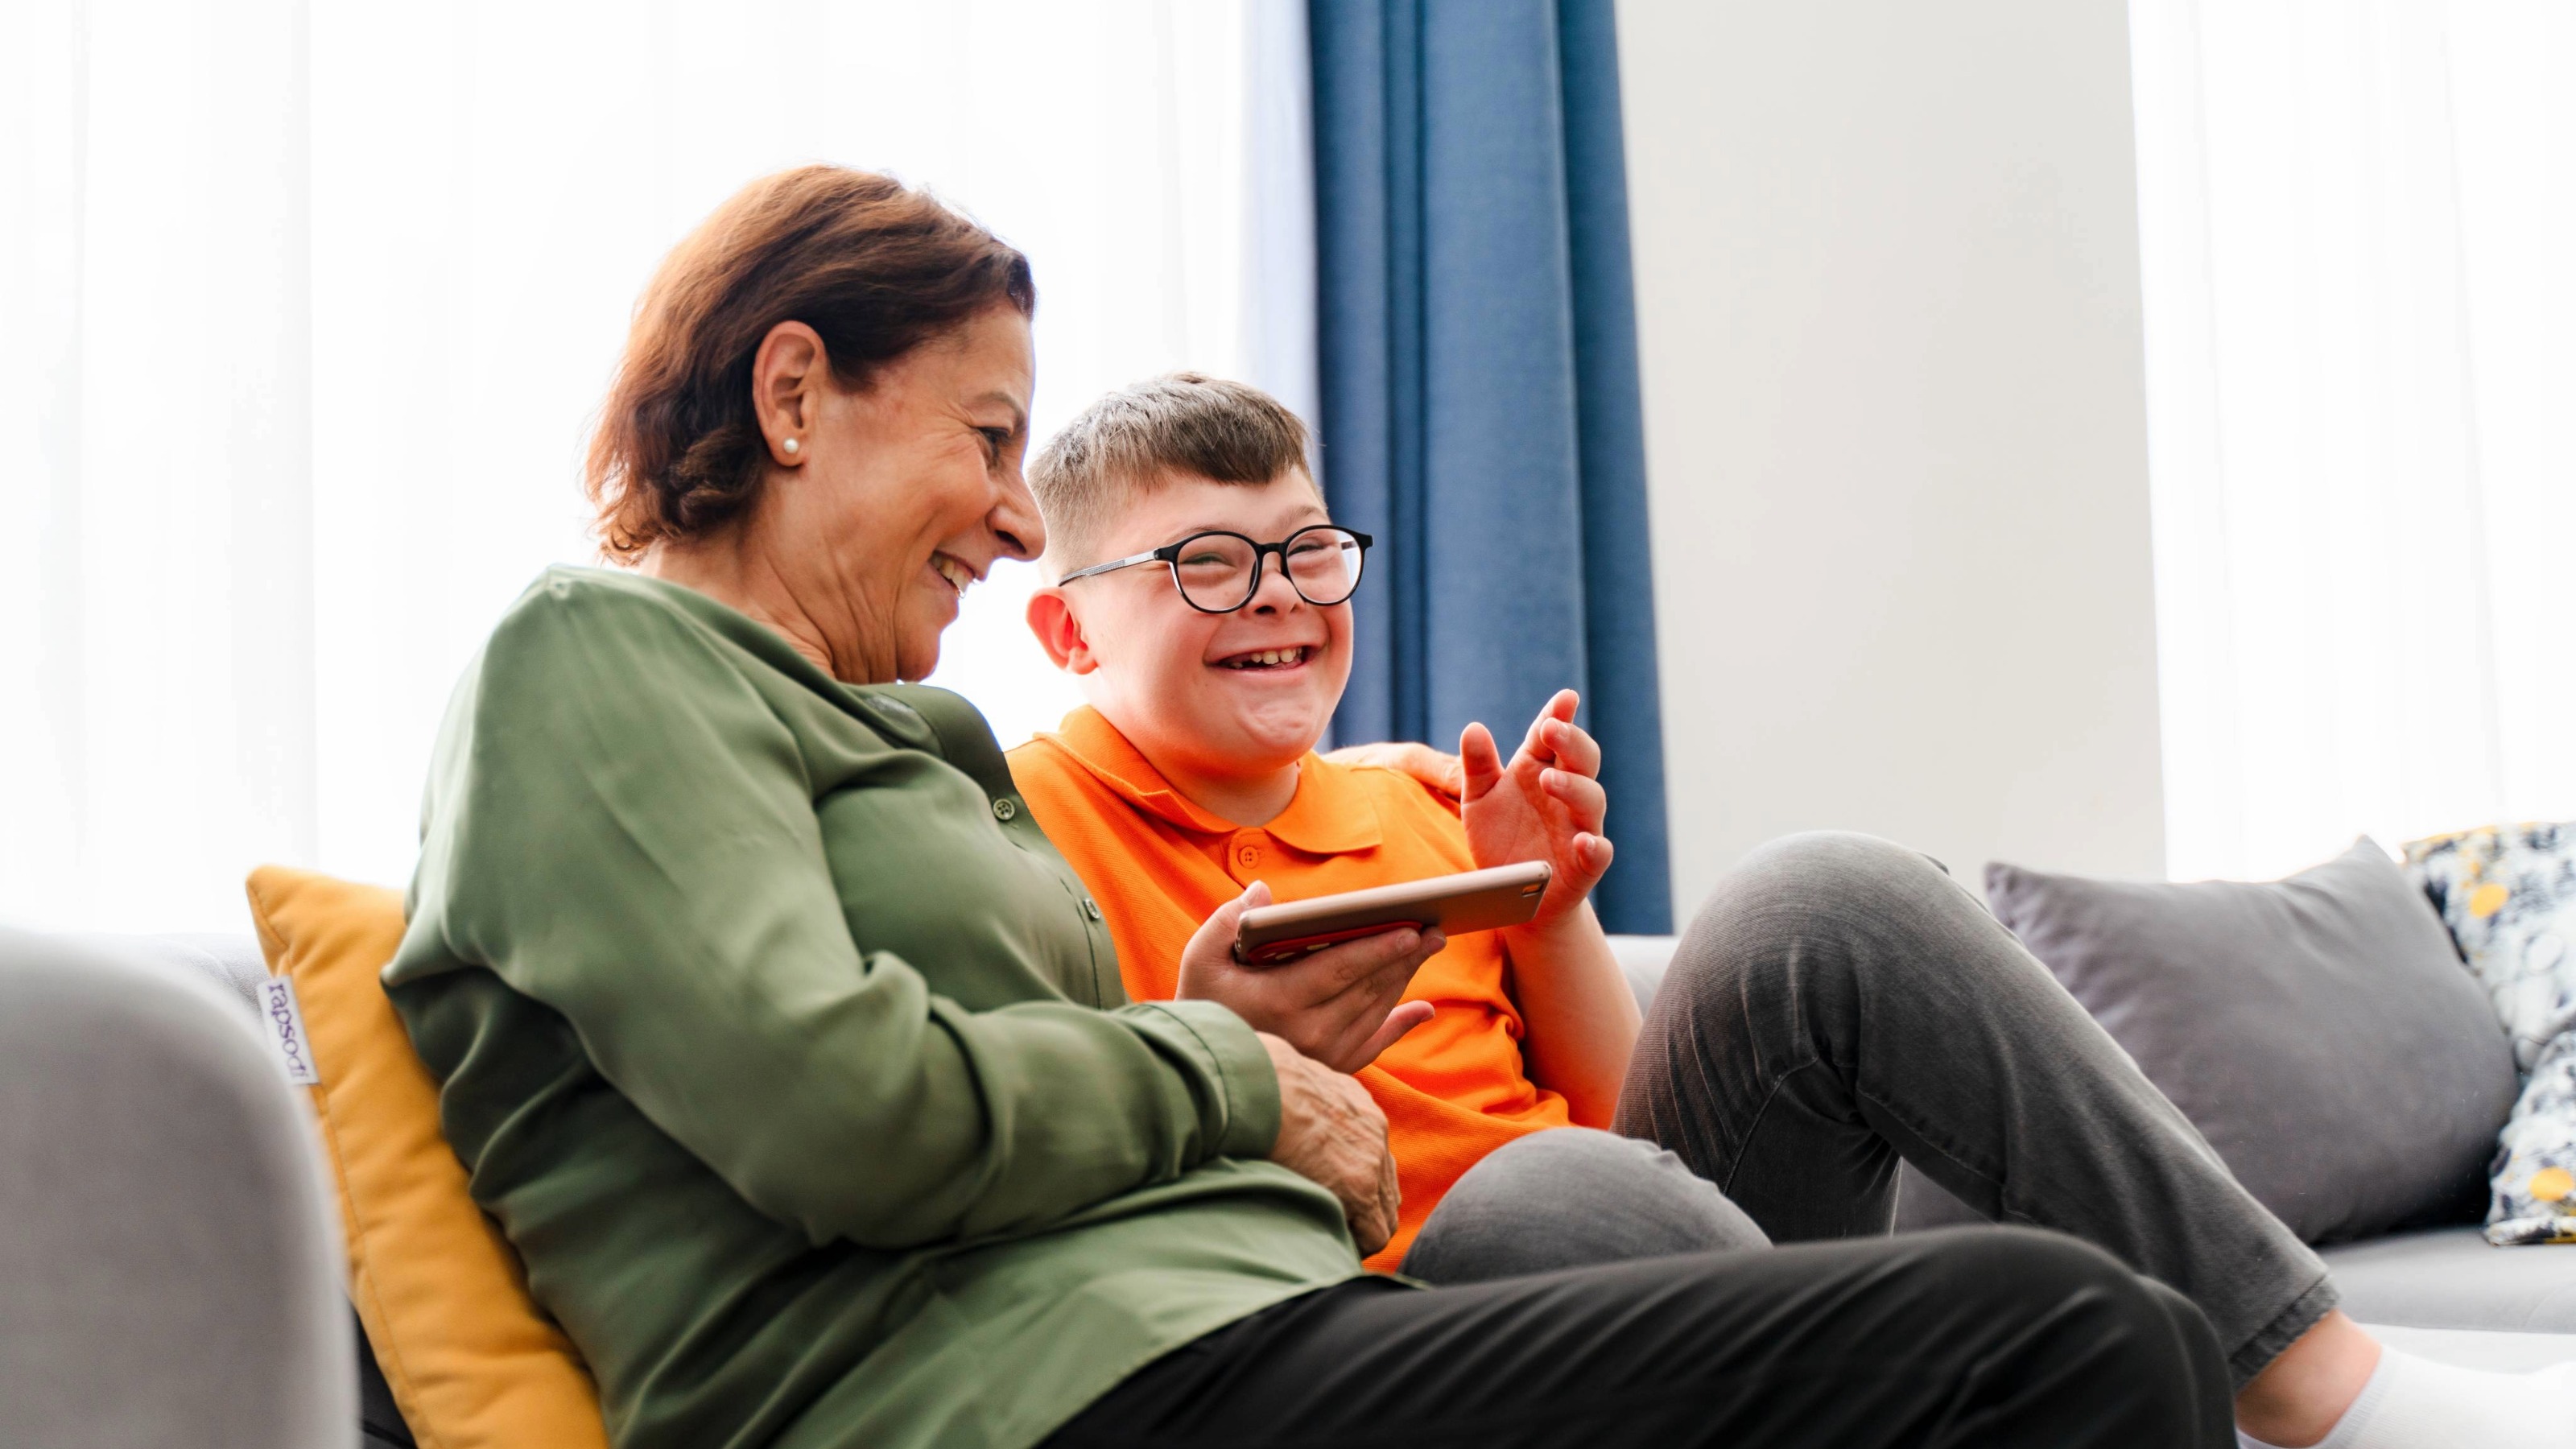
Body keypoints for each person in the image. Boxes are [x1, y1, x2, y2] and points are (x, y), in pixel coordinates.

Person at [386, 163, 2230, 1449]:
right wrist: (1238, 1072)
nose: (1015, 509)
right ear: (797, 394)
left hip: (1237, 1325)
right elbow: (846, 1110)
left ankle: (2301, 1357)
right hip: (1027, 1399)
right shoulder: (597, 663)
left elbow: (1084, 1106)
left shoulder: (911, 742)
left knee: (2019, 1254)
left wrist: (1232, 1048)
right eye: (985, 435)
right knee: (2061, 1341)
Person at [1002, 372, 2574, 1449]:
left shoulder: (1424, 795)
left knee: (1822, 895)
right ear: (1069, 631)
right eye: (1207, 565)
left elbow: (1637, 1123)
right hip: (1403, 1338)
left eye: (1305, 550)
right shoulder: (1019, 831)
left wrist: (1548, 908)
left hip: (1666, 1261)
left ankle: (2324, 1388)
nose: (1278, 593)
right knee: (1547, 1192)